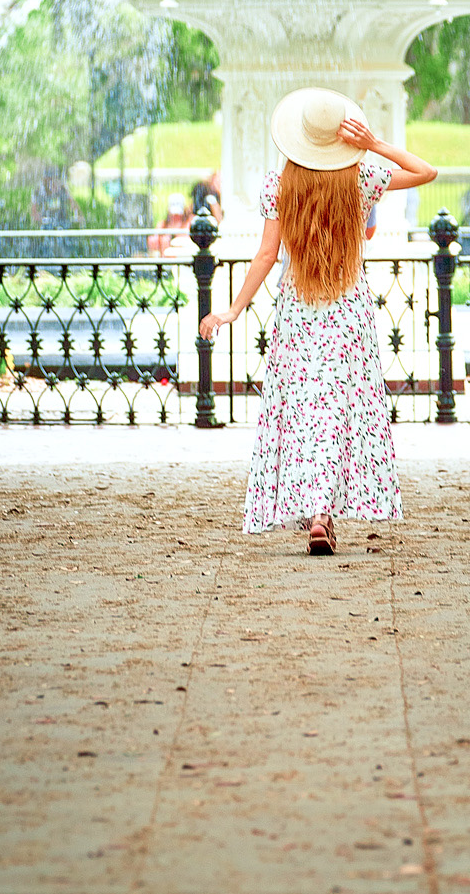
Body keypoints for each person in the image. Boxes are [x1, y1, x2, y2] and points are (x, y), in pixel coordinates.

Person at [200, 87, 436, 555]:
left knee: (306, 413)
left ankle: (314, 514)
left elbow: (267, 255)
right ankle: (324, 516)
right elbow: (426, 172)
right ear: (341, 138)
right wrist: (373, 143)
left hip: (298, 312)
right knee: (337, 413)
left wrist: (231, 310)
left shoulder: (279, 186)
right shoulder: (362, 179)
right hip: (348, 311)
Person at [149, 193, 193, 257]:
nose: (175, 216)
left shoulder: (190, 222)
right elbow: (152, 241)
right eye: (173, 214)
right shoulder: (163, 225)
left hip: (184, 258)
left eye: (178, 214)